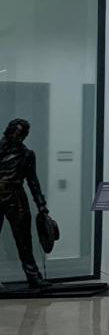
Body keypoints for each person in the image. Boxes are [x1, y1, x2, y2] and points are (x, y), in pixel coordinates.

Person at [0, 118, 50, 290]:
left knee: (24, 241)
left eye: (22, 134)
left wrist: (41, 204)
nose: (18, 136)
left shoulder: (27, 154)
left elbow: (33, 181)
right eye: (16, 132)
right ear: (9, 130)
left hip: (16, 198)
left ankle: (34, 277)